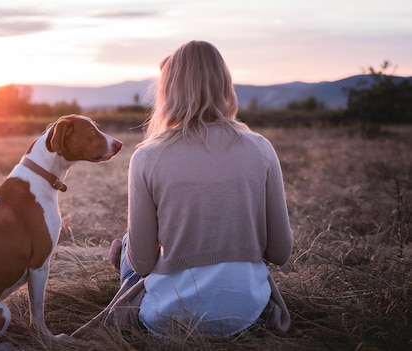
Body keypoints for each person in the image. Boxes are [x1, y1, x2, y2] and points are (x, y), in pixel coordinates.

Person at [73, 40, 293, 338]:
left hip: (165, 317)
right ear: (225, 85)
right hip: (246, 311)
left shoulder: (147, 156)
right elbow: (280, 252)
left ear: (168, 90)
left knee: (128, 246)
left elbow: (143, 261)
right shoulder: (261, 148)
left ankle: (126, 272)